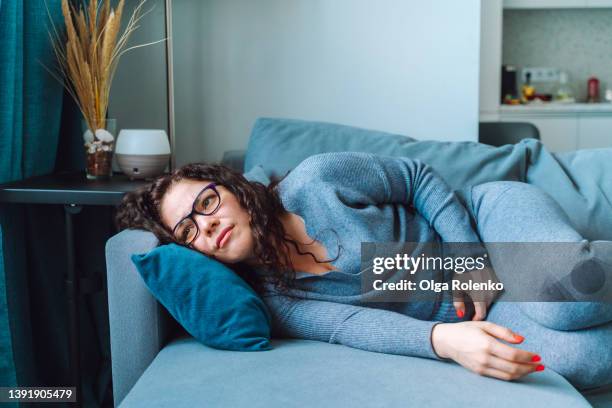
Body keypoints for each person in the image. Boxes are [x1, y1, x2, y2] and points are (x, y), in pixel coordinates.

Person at [115, 151, 612, 390]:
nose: (207, 226)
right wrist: (446, 340)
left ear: (232, 189)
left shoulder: (315, 180)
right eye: (187, 232)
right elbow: (355, 327)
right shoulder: (282, 299)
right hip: (475, 311)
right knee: (580, 357)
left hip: (488, 226)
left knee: (567, 298)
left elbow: (417, 178)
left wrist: (467, 261)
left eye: (207, 202)